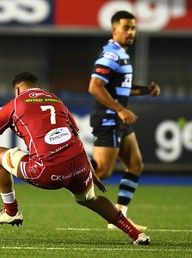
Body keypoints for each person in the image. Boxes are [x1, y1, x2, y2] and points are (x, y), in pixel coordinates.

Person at [0, 71, 151, 245]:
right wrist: (90, 171)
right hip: (79, 165)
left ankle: (11, 212)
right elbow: (77, 139)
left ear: (17, 89)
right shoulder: (56, 99)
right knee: (90, 199)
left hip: (47, 171)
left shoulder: (15, 104)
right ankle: (136, 234)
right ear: (36, 86)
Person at [88, 10, 160, 231]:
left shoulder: (122, 54)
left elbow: (122, 88)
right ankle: (61, 174)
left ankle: (121, 215)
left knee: (135, 165)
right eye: (126, 28)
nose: (130, 32)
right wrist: (120, 109)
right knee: (102, 172)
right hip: (109, 118)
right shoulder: (110, 55)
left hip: (119, 119)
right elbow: (94, 87)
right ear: (114, 30)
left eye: (133, 28)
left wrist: (145, 90)